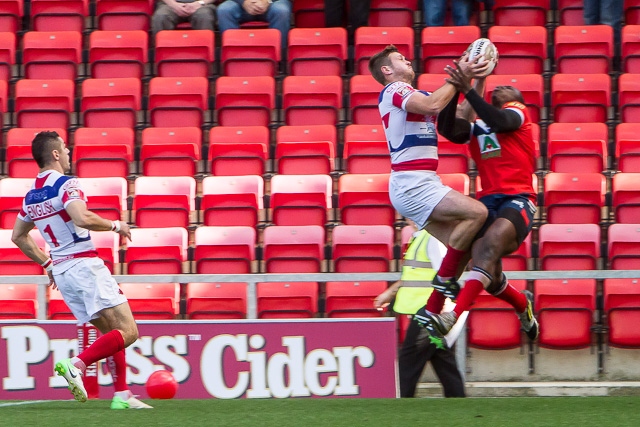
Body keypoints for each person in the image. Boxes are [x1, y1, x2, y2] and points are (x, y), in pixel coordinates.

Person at [11, 131, 152, 410]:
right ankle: (76, 364)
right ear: (54, 154)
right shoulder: (66, 184)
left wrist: (47, 264)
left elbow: (18, 236)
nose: (68, 152)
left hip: (63, 272)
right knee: (129, 331)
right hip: (84, 265)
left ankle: (122, 395)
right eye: (64, 147)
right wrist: (116, 226)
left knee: (110, 333)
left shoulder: (31, 196)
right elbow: (81, 217)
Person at [414, 63, 540, 346]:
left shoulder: (518, 114)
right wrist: (455, 93)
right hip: (488, 202)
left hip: (518, 199)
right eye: (499, 86)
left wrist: (469, 89)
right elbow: (449, 129)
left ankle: (452, 315)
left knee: (487, 247)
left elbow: (500, 121)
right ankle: (522, 304)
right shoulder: (479, 127)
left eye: (510, 88)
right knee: (490, 275)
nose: (503, 87)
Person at [368, 45, 489, 307]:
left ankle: (433, 307)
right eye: (400, 59)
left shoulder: (417, 95)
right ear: (387, 70)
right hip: (412, 182)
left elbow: (463, 116)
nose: (408, 60)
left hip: (420, 181)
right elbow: (433, 104)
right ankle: (444, 282)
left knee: (465, 249)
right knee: (478, 213)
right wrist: (459, 74)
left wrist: (477, 78)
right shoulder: (394, 89)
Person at [374, 227, 466, 398]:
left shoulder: (432, 238)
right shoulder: (420, 238)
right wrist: (391, 292)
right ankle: (459, 403)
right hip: (428, 312)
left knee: (408, 363)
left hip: (429, 313)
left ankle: (400, 405)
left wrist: (443, 308)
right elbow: (413, 275)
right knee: (444, 364)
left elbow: (446, 274)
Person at [217, 0, 291, 50]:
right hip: (239, 4)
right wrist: (243, 2)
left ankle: (279, 57)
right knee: (224, 10)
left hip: (273, 3)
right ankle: (232, 55)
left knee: (281, 10)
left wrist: (268, 1)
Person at [151, 0, 216, 36]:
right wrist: (173, 4)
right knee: (161, 16)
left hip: (201, 5)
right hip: (170, 4)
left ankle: (204, 52)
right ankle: (163, 53)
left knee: (204, 15)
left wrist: (200, 3)